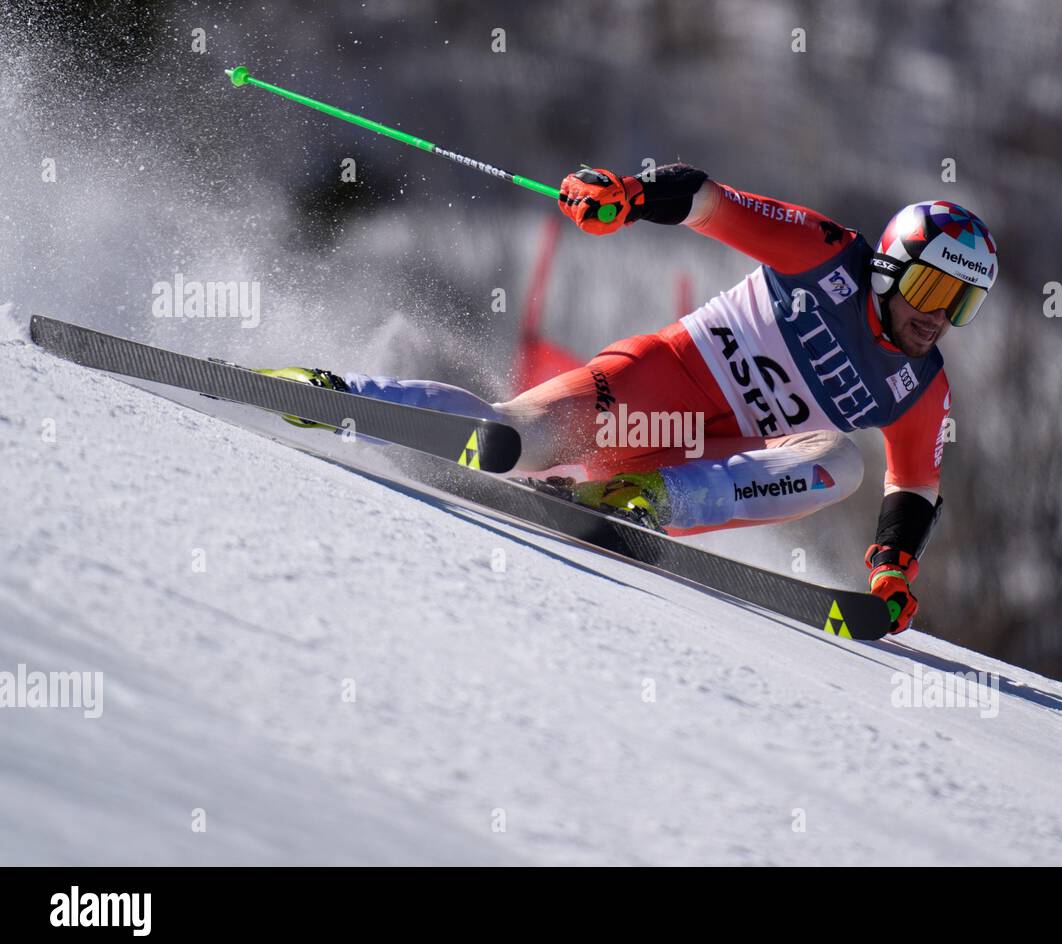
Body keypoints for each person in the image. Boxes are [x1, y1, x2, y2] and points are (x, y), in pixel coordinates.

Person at [260, 165, 998, 633]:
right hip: (658, 384)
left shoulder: (921, 387)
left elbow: (916, 487)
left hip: (708, 460)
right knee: (510, 441)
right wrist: (629, 197)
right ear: (890, 267)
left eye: (960, 303)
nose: (936, 315)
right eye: (931, 287)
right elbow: (710, 200)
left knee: (842, 461)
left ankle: (646, 499)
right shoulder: (830, 255)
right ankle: (339, 394)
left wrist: (892, 571)